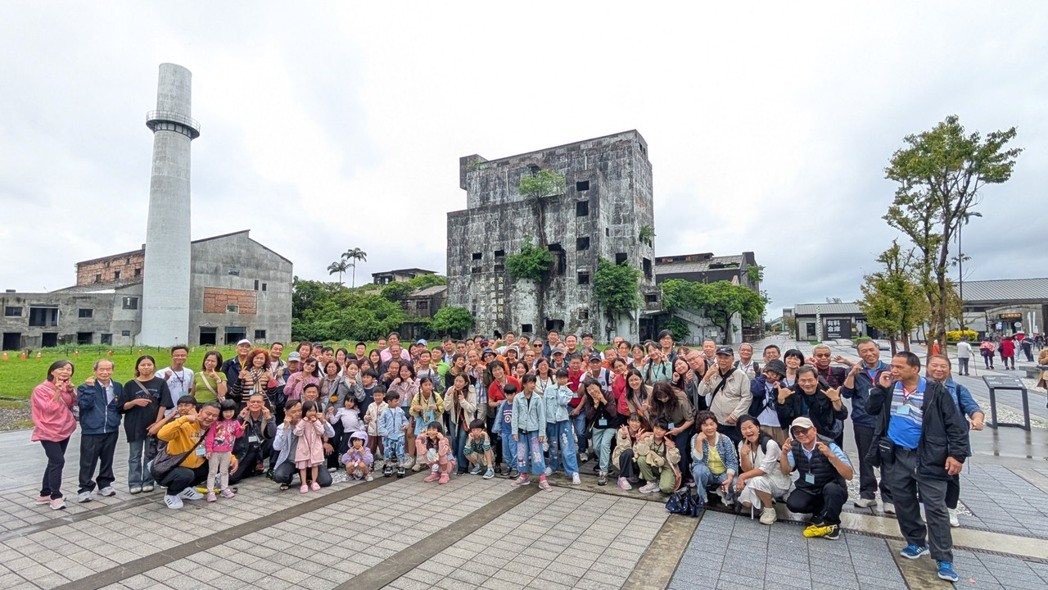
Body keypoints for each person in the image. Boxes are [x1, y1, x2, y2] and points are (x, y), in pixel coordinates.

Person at [868, 352, 969, 583]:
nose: (893, 370)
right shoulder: (890, 388)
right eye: (892, 366)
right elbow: (872, 409)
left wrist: (956, 455)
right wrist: (880, 389)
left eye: (899, 367)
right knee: (903, 501)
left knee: (935, 507)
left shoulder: (936, 391)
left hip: (928, 456)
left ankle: (943, 557)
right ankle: (915, 541)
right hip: (896, 455)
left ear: (914, 369)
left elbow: (956, 425)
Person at [926, 355, 984, 527]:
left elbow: (972, 407)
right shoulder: (921, 387)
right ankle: (928, 508)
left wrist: (978, 419)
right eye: (934, 365)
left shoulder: (958, 389)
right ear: (927, 367)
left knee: (951, 475)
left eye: (943, 366)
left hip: (951, 441)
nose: (938, 369)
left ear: (949, 369)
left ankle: (951, 509)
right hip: (927, 440)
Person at [779, 417, 853, 540]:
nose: (801, 435)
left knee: (831, 490)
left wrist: (831, 456)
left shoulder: (829, 445)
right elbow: (786, 471)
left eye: (805, 431)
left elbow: (849, 475)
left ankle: (832, 524)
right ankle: (821, 511)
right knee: (793, 504)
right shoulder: (795, 446)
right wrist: (784, 454)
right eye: (797, 432)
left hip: (831, 487)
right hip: (808, 487)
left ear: (814, 430)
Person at [841, 338, 892, 511]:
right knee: (865, 458)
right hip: (863, 420)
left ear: (878, 349)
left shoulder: (890, 370)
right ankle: (867, 494)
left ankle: (889, 498)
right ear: (859, 354)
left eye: (872, 350)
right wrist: (851, 374)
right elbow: (846, 394)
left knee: (888, 458)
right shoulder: (855, 370)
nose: (869, 354)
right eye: (864, 351)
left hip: (887, 421)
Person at [119, 355, 172, 494]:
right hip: (134, 424)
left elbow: (164, 404)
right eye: (143, 365)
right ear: (137, 367)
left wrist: (157, 423)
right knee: (134, 455)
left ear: (154, 366)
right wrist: (134, 402)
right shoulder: (130, 384)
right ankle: (134, 482)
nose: (146, 367)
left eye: (149, 364)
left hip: (153, 424)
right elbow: (122, 406)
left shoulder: (160, 383)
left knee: (151, 454)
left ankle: (148, 481)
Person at [31, 360, 78, 510]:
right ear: (52, 371)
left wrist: (70, 391)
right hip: (47, 430)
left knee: (53, 462)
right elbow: (49, 409)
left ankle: (44, 493)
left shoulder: (65, 386)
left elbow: (71, 405)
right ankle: (55, 496)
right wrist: (58, 391)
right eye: (61, 368)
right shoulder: (40, 389)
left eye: (69, 369)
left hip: (64, 429)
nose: (65, 371)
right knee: (58, 461)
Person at [156, 399, 219, 509]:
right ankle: (171, 494)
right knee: (186, 474)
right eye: (208, 414)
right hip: (166, 469)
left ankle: (184, 489)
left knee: (215, 464)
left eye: (214, 416)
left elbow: (218, 449)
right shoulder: (185, 425)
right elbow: (161, 435)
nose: (210, 418)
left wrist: (232, 459)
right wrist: (183, 419)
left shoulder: (211, 430)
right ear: (200, 412)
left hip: (189, 467)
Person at [76, 359, 122, 503]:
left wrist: (116, 419)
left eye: (108, 369)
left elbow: (119, 406)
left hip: (111, 429)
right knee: (88, 461)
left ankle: (105, 484)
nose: (105, 372)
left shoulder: (118, 386)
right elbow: (84, 405)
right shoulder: (85, 387)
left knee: (108, 459)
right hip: (91, 430)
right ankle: (84, 488)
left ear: (112, 370)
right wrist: (90, 389)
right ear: (95, 371)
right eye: (101, 369)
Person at [734, 415, 791, 524]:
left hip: (776, 480)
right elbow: (748, 470)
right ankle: (766, 497)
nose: (748, 431)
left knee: (756, 481)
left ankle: (769, 510)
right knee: (747, 503)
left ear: (757, 427)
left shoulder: (770, 444)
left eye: (750, 427)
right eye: (744, 429)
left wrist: (742, 477)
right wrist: (744, 455)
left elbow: (763, 470)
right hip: (756, 479)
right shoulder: (742, 444)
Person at [776, 365, 848, 448]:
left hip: (826, 434)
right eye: (803, 380)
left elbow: (843, 415)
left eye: (810, 380)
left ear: (817, 380)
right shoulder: (790, 393)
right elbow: (784, 418)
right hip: (801, 435)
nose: (807, 384)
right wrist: (780, 401)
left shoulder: (827, 391)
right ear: (797, 381)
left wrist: (836, 400)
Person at [272, 400, 334, 490]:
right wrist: (286, 428)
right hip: (292, 461)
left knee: (326, 481)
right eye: (293, 411)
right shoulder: (282, 427)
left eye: (300, 410)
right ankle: (288, 479)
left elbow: (331, 434)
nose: (298, 414)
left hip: (310, 460)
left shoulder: (310, 422)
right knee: (279, 476)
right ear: (286, 411)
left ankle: (308, 478)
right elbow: (277, 447)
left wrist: (323, 421)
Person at [698, 346, 752, 445]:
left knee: (734, 448)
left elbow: (747, 397)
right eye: (720, 357)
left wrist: (735, 415)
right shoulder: (713, 374)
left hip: (733, 422)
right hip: (716, 422)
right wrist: (707, 375)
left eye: (726, 357)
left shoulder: (741, 375)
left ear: (732, 359)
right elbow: (701, 392)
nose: (722, 360)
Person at [690, 410, 739, 508]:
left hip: (723, 473)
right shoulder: (696, 438)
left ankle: (722, 491)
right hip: (708, 473)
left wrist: (729, 478)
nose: (709, 428)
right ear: (700, 427)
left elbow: (732, 461)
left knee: (733, 483)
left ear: (716, 425)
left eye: (712, 424)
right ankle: (702, 496)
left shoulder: (725, 439)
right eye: (705, 425)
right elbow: (697, 461)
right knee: (699, 470)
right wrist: (699, 442)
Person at [578, 377, 620, 485]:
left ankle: (603, 472)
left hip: (610, 425)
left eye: (593, 387)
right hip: (597, 426)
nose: (592, 391)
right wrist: (595, 405)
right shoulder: (588, 399)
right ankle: (607, 466)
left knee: (604, 445)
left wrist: (604, 401)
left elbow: (614, 413)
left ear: (598, 385)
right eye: (589, 389)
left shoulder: (608, 394)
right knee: (596, 447)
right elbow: (588, 416)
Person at [544, 368, 581, 485]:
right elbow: (544, 406)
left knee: (567, 446)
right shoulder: (549, 389)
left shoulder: (568, 391)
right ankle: (552, 466)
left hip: (563, 421)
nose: (562, 380)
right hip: (550, 421)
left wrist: (563, 388)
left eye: (564, 377)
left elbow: (561, 402)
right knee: (552, 445)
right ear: (556, 378)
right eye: (560, 377)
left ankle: (573, 471)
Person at [512, 375, 549, 489]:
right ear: (524, 384)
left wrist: (542, 433)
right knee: (521, 454)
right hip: (521, 430)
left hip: (534, 431)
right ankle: (524, 475)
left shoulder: (538, 398)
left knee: (537, 454)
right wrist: (514, 431)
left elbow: (542, 417)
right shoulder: (517, 398)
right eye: (530, 382)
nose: (533, 385)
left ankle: (542, 478)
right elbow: (515, 415)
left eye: (534, 382)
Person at [230, 393, 276, 483]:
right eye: (252, 402)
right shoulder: (242, 415)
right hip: (246, 450)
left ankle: (272, 469)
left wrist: (269, 419)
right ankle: (253, 468)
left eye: (258, 402)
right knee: (233, 478)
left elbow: (273, 434)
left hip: (261, 448)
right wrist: (240, 418)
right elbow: (233, 433)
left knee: (274, 441)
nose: (255, 404)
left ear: (263, 403)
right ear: (248, 403)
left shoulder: (269, 416)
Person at [204, 399, 243, 502]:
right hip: (214, 451)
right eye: (226, 411)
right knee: (212, 472)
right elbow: (210, 436)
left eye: (231, 411)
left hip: (227, 451)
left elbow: (237, 435)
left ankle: (224, 488)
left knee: (224, 471)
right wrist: (208, 449)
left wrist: (241, 429)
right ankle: (210, 491)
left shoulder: (235, 422)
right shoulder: (216, 422)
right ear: (221, 412)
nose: (228, 414)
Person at [635, 421, 682, 494]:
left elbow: (675, 461)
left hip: (666, 466)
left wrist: (672, 448)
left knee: (666, 488)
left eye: (662, 430)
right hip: (653, 464)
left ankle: (661, 481)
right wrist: (641, 439)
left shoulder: (669, 442)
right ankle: (652, 482)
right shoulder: (648, 438)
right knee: (641, 459)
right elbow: (641, 452)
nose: (658, 431)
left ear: (666, 432)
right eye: (656, 428)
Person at [747, 359, 787, 443]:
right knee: (763, 448)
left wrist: (777, 390)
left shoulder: (783, 386)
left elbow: (782, 404)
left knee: (781, 449)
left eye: (777, 374)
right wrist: (762, 377)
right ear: (766, 371)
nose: (773, 376)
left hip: (779, 424)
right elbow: (757, 392)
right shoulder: (756, 381)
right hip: (761, 423)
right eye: (771, 372)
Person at [293, 400, 327, 493]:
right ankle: (303, 483)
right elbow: (297, 432)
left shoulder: (316, 421)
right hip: (303, 447)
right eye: (309, 411)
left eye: (313, 410)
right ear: (304, 411)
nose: (311, 413)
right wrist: (303, 421)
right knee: (302, 466)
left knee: (314, 465)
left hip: (315, 447)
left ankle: (314, 482)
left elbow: (321, 432)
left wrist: (316, 421)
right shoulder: (301, 421)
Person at [613, 413, 648, 490]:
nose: (635, 424)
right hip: (622, 457)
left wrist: (638, 441)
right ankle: (622, 478)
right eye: (632, 421)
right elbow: (623, 449)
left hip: (635, 458)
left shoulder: (641, 432)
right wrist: (624, 436)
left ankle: (632, 475)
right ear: (628, 421)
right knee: (628, 452)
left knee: (641, 457)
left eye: (638, 422)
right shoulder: (622, 430)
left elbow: (641, 451)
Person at [378, 392, 409, 478]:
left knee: (400, 451)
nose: (397, 402)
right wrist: (385, 433)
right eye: (395, 401)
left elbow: (405, 420)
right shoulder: (384, 412)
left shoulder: (400, 411)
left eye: (398, 400)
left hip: (400, 435)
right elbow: (380, 424)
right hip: (388, 436)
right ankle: (388, 465)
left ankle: (401, 465)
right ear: (389, 401)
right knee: (388, 451)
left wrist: (406, 425)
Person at [158, 345, 194, 413]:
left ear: (187, 357)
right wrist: (165, 379)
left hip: (184, 410)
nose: (180, 357)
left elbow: (190, 389)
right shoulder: (161, 373)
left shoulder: (190, 372)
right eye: (177, 355)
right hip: (167, 410)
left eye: (183, 355)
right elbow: (157, 390)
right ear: (171, 356)